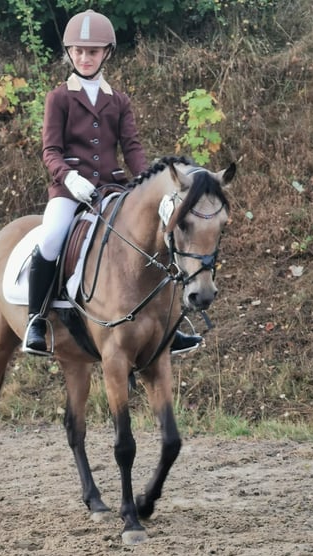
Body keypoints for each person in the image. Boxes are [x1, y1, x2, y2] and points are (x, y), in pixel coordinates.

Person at [23, 9, 202, 355]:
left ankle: (167, 323)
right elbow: (50, 150)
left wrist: (155, 185)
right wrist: (69, 178)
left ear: (107, 53)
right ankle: (37, 319)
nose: (84, 57)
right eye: (77, 51)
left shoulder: (119, 100)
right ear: (69, 53)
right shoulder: (58, 97)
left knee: (154, 238)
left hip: (113, 188)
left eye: (91, 52)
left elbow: (132, 149)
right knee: (51, 237)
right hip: (70, 190)